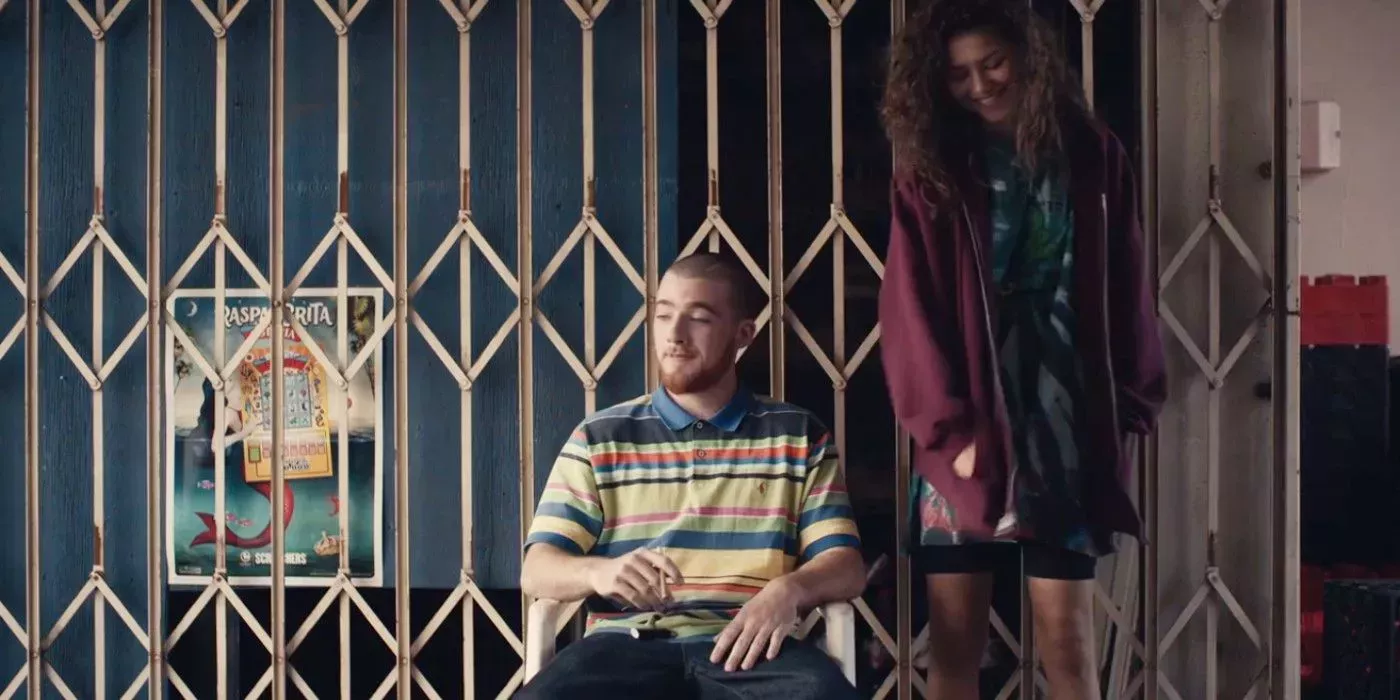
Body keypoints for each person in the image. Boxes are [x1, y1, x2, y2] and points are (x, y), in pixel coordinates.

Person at [878, 1, 1167, 697]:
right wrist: (947, 427)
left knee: (1068, 643)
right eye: (958, 74)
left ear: (1028, 58)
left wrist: (1130, 399)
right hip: (968, 420)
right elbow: (910, 304)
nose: (979, 84)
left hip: (1064, 413)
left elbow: (1127, 274)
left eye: (994, 63)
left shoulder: (1092, 152)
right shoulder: (932, 167)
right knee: (956, 643)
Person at [516, 253, 867, 700]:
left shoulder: (798, 435)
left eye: (698, 318)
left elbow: (845, 565)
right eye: (664, 315)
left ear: (743, 334)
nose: (675, 335)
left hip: (752, 648)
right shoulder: (600, 437)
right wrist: (600, 572)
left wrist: (789, 590)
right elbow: (537, 569)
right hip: (624, 646)